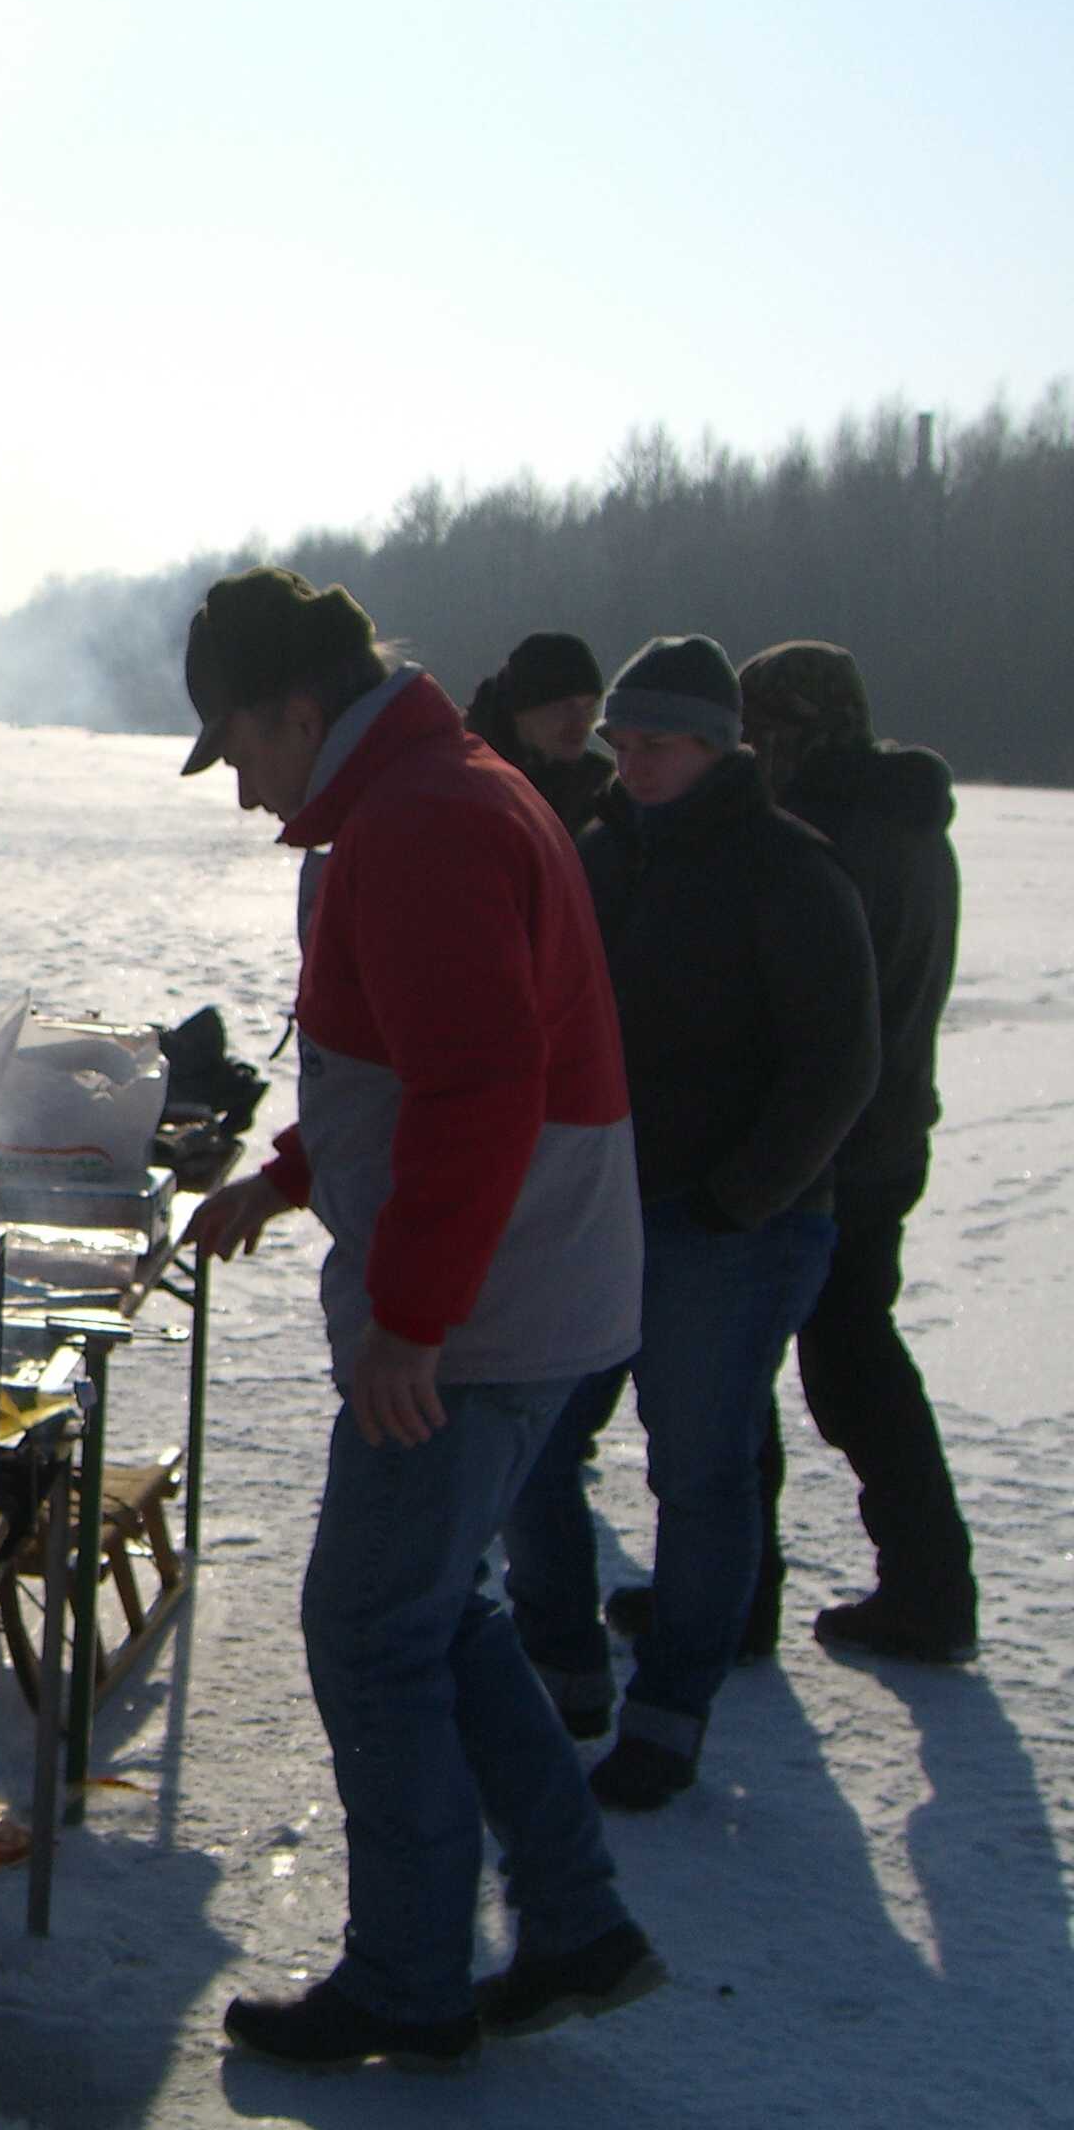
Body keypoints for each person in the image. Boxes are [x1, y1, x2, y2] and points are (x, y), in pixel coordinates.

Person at [177, 569, 659, 2070]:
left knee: (370, 1627)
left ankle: (407, 1979)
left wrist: (413, 1320)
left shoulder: (426, 821)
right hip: (519, 1291)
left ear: (297, 709)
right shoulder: (424, 792)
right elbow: (402, 1055)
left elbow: (483, 1085)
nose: (242, 790)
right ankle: (575, 1924)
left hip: (487, 1311)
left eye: (237, 748)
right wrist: (292, 1177)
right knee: (439, 1615)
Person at [501, 635, 879, 1808]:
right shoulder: (600, 851)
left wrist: (740, 1199)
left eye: (657, 742)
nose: (633, 760)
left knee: (700, 1472)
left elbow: (840, 1064)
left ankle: (668, 1714)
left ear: (719, 746)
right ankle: (562, 1664)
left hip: (733, 1229)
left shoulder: (789, 870)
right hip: (597, 1209)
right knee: (532, 1445)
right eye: (623, 740)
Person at [740, 640, 976, 1661]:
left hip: (825, 1152)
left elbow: (804, 1012)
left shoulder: (826, 832)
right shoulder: (908, 823)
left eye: (763, 728)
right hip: (883, 1137)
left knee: (755, 1371)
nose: (751, 750)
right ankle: (927, 1586)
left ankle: (742, 1593)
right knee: (851, 1365)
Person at [463, 629, 614, 830]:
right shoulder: (468, 783)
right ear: (521, 712)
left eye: (590, 707)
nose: (581, 722)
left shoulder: (604, 788)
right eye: (564, 707)